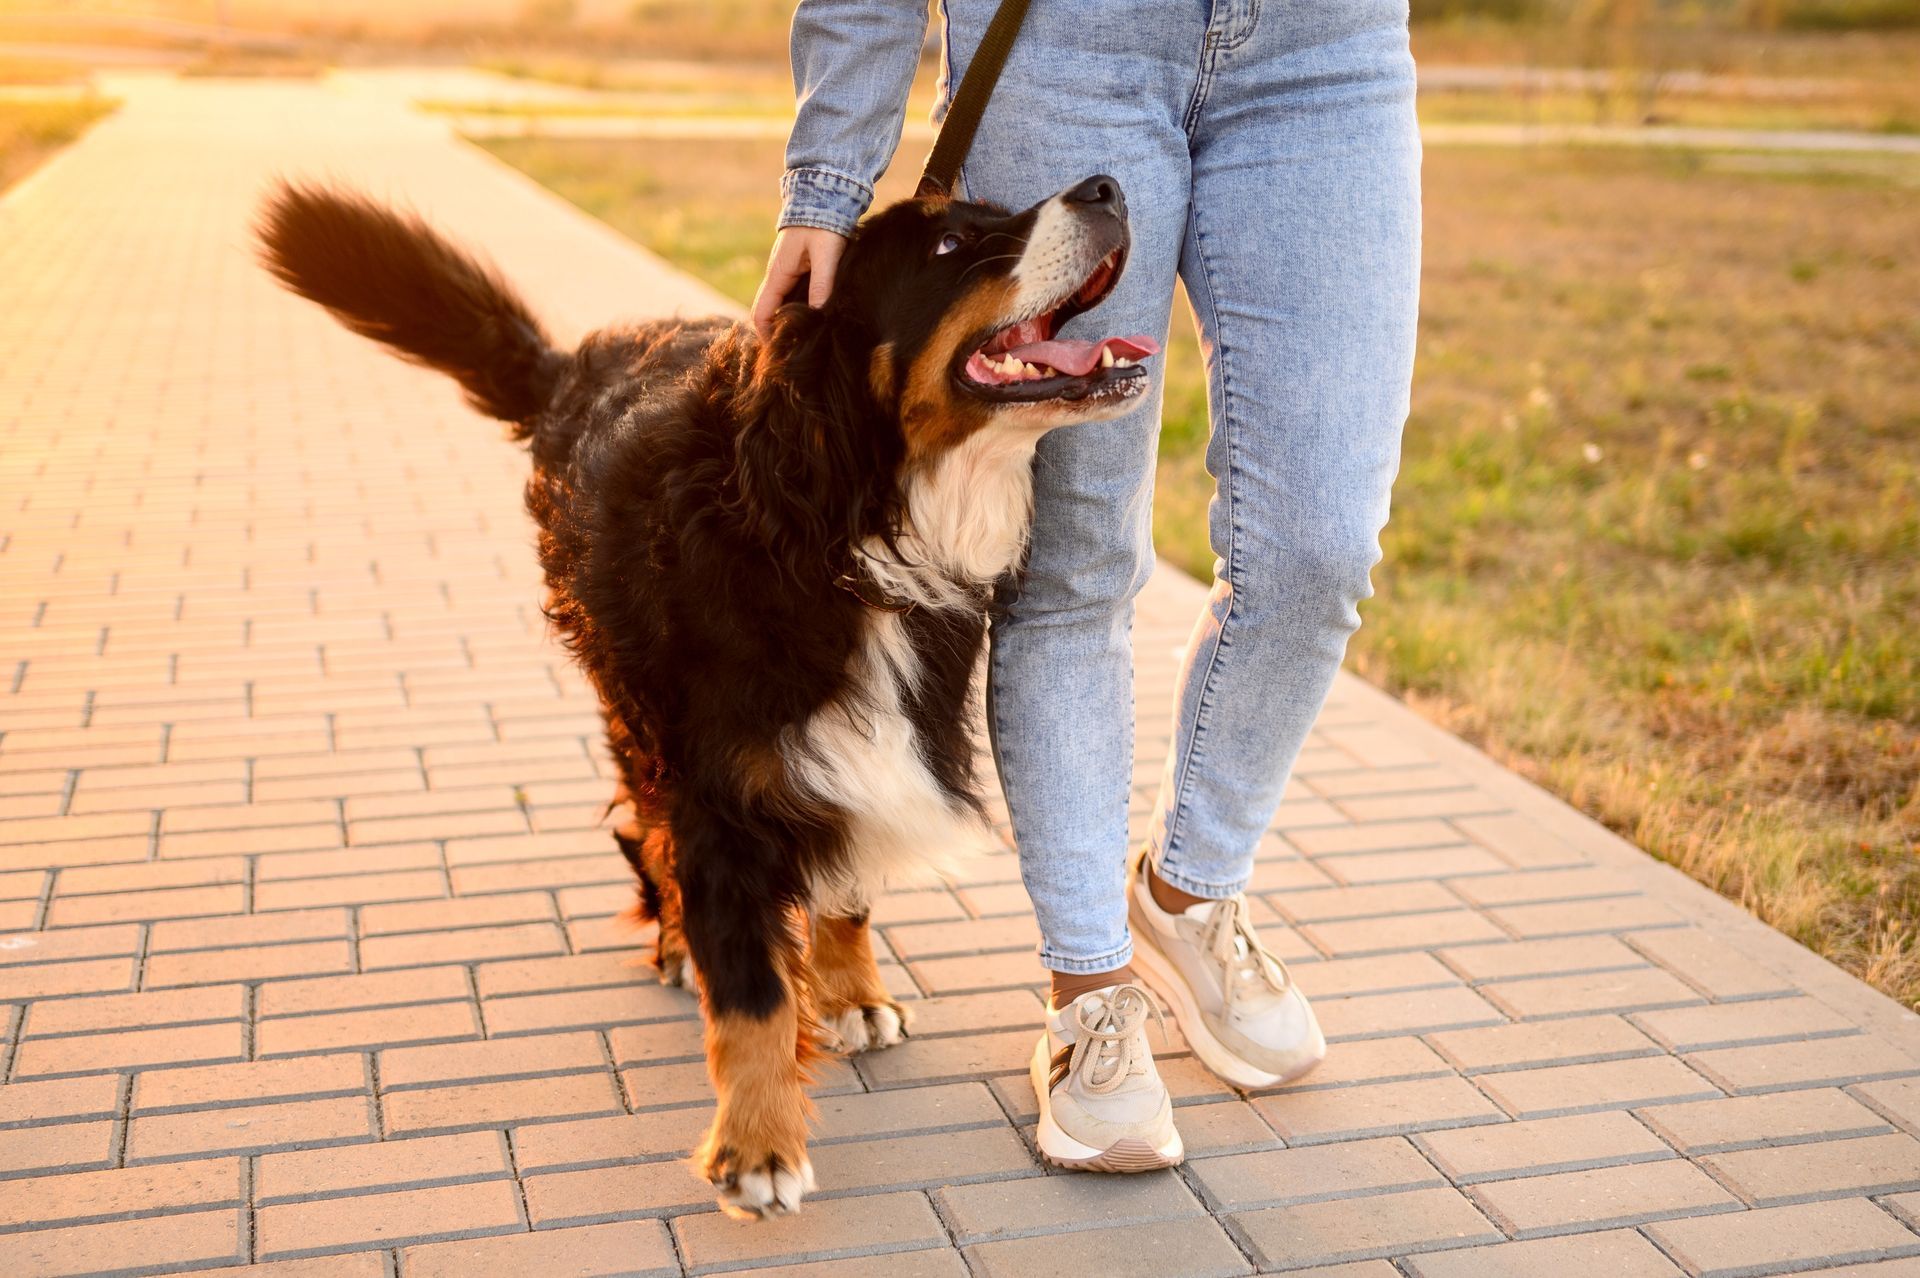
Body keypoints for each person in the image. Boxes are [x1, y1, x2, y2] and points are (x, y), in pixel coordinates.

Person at [756, 0, 1422, 1170]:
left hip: (1328, 53)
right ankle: (1089, 991)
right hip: (1071, 45)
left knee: (1319, 546)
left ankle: (1188, 890)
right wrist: (826, 185)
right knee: (1068, 566)